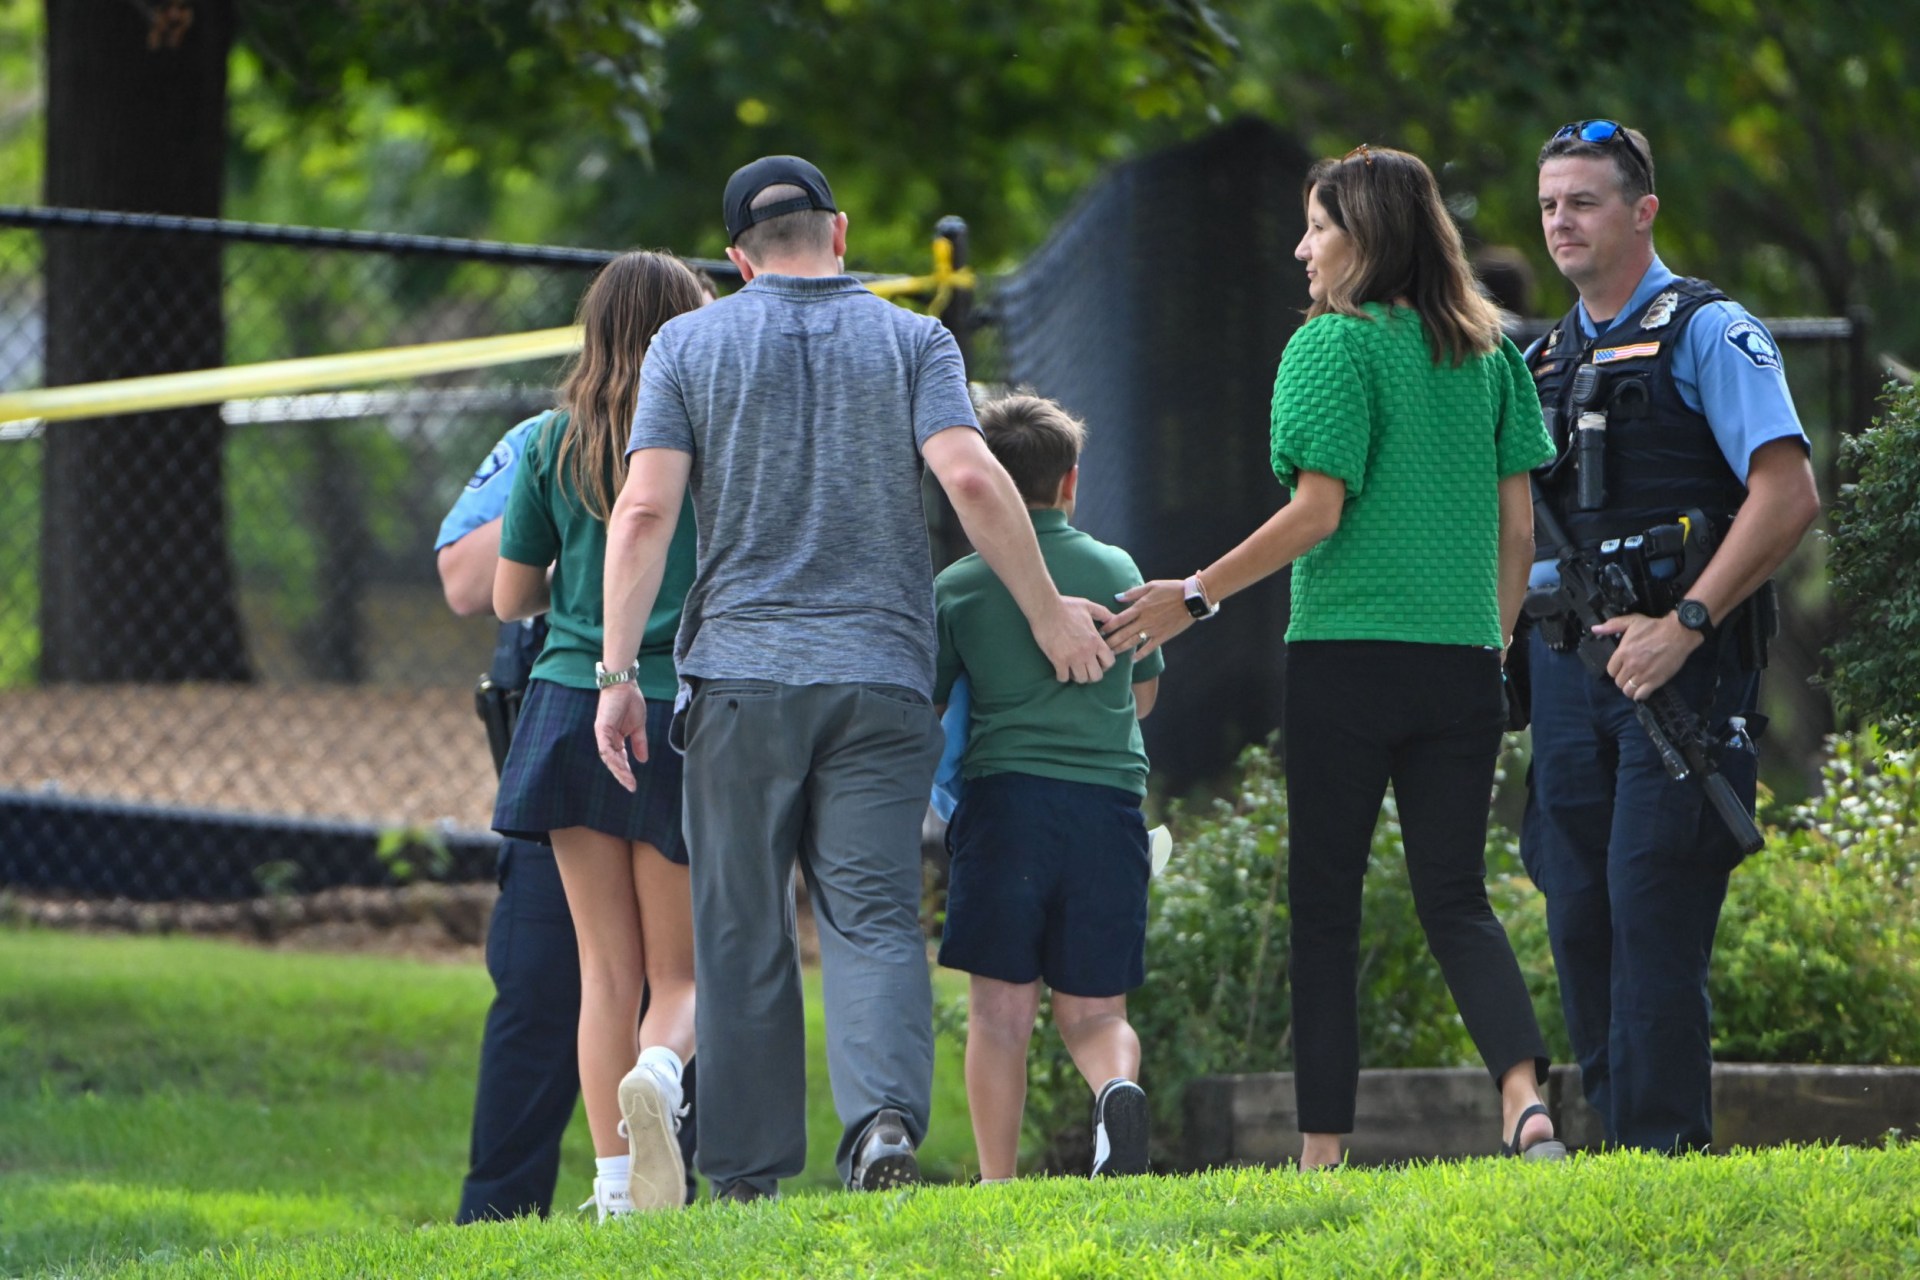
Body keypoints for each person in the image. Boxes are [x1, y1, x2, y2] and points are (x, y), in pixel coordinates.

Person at [594, 155, 1113, 1202]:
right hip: (882, 676)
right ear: (839, 232)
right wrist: (1048, 611)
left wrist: (615, 672)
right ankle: (881, 1121)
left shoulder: (687, 342)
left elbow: (644, 512)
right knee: (872, 913)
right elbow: (971, 472)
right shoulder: (914, 337)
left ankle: (744, 1171)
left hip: (740, 677)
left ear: (739, 259)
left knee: (743, 921)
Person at [1104, 144, 1564, 1169]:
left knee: (1326, 903)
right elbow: (1521, 538)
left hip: (1347, 658)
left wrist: (1192, 594)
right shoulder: (1488, 358)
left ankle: (1322, 1150)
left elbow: (1317, 510)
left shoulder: (1330, 348)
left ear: (1366, 239)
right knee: (1457, 897)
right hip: (1460, 665)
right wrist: (1486, 649)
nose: (1301, 248)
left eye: (1318, 226)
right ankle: (1525, 1099)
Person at [1523, 121, 1819, 1152]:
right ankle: (1618, 1156)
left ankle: (1664, 1155)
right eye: (1551, 201)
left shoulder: (1710, 329)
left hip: (1678, 678)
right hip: (1566, 675)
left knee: (1652, 912)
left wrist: (1688, 623)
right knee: (1579, 911)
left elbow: (1787, 494)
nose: (1562, 219)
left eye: (1585, 200)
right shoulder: (1544, 357)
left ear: (1642, 211)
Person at [491, 250, 707, 1219]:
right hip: (677, 709)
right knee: (683, 972)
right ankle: (660, 1077)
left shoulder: (549, 441)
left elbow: (508, 596)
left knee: (602, 970)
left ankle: (615, 1188)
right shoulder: (712, 437)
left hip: (564, 705)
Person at [932, 394, 1166, 1183]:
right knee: (1096, 1011)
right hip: (1108, 809)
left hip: (1005, 808)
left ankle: (999, 1184)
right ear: (1071, 482)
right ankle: (1117, 1090)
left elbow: (935, 704)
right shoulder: (1116, 569)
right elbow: (1143, 696)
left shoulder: (961, 585)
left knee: (1000, 1017)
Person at [436, 419, 580, 1223]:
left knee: (680, 998)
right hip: (556, 750)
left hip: (684, 737)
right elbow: (463, 580)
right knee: (538, 992)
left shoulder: (723, 420)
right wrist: (572, 504)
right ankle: (494, 1230)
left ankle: (680, 1219)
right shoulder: (545, 443)